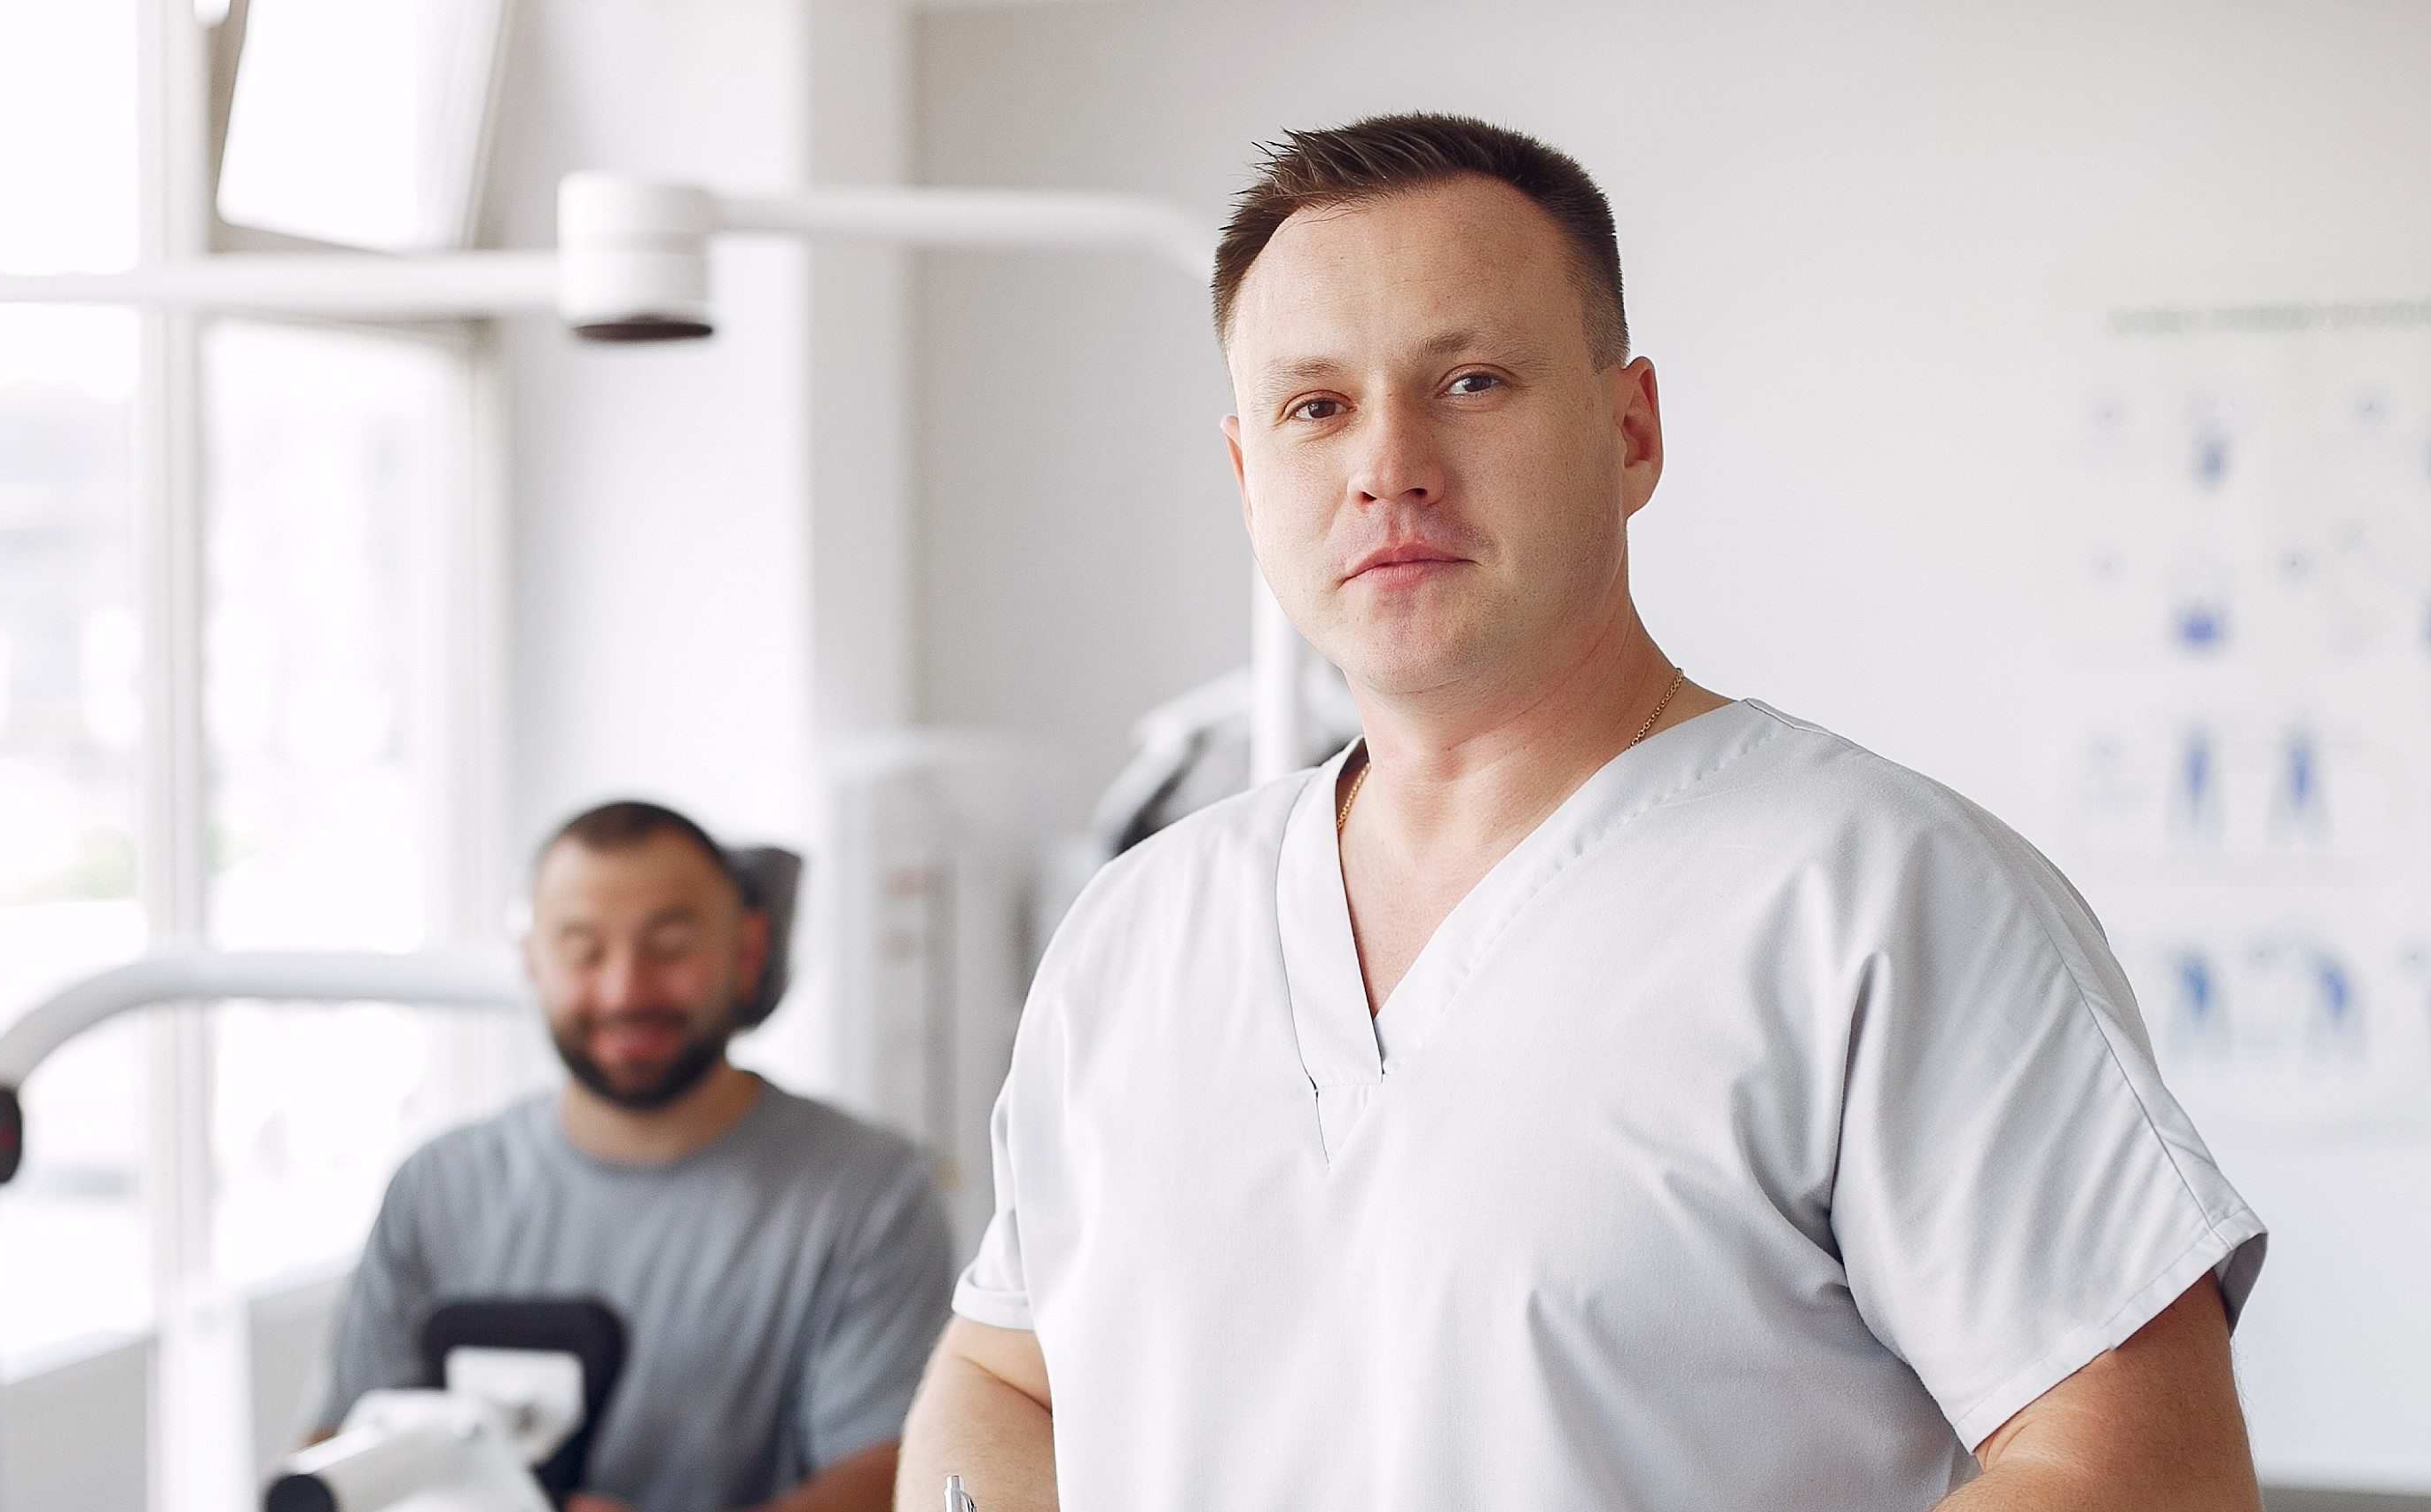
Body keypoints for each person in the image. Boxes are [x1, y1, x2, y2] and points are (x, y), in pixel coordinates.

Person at [897, 114, 2269, 1510]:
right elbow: (1009, 1378)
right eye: (1316, 407)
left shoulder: (1878, 898)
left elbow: (2142, 1465)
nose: (1389, 463)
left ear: (1631, 432)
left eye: (1472, 380)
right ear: (1252, 476)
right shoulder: (1138, 929)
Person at [310, 800, 955, 1512]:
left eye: (671, 945)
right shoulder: (437, 1187)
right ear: (534, 962)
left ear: (746, 951)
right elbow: (340, 1440)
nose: (625, 990)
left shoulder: (868, 1193)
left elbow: (888, 1476)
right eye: (584, 949)